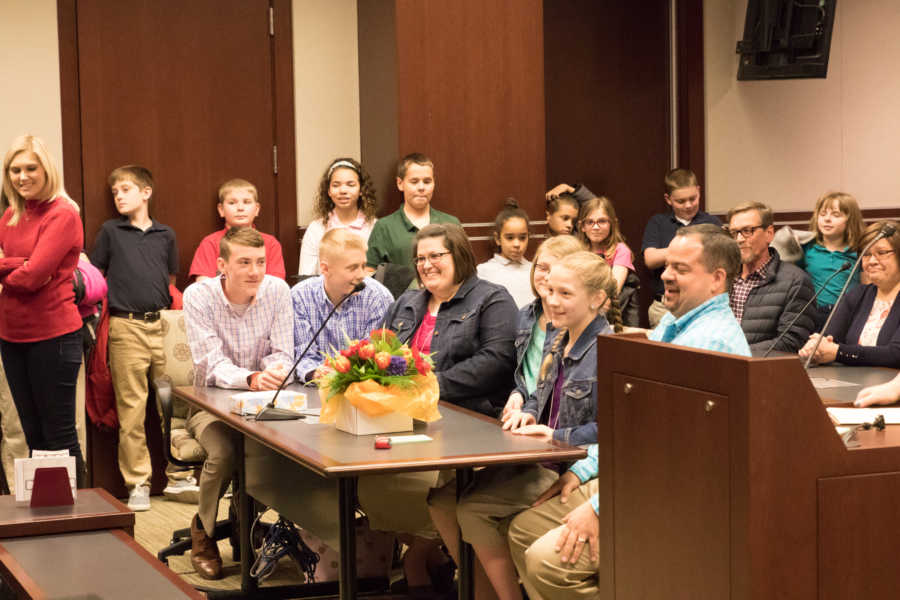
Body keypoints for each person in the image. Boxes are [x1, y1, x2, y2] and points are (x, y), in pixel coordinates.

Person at [507, 224, 751, 600]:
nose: (666, 275)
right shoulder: (674, 323)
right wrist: (585, 469)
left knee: (546, 561)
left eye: (681, 269)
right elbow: (635, 427)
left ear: (717, 279)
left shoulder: (708, 343)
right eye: (667, 265)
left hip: (676, 500)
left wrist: (600, 508)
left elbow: (669, 451)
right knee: (523, 528)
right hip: (638, 477)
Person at [433, 252, 622, 600]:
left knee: (474, 509)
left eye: (565, 294)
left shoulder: (608, 352)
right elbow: (539, 392)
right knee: (457, 502)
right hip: (543, 457)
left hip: (575, 469)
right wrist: (530, 412)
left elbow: (615, 431)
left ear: (597, 299)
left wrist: (556, 435)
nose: (552, 300)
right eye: (550, 291)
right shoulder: (558, 337)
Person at [357, 222, 517, 596]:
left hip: (470, 421)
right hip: (407, 419)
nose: (427, 265)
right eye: (420, 258)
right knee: (369, 482)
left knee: (434, 490)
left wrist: (427, 386)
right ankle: (426, 557)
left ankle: (458, 576)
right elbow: (382, 353)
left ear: (458, 255)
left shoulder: (492, 299)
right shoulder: (408, 301)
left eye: (436, 256)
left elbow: (496, 360)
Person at [182, 227, 293, 579]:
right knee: (227, 451)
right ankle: (204, 532)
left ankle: (251, 524)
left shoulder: (277, 291)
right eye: (244, 262)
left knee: (284, 449)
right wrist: (250, 379)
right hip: (209, 406)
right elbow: (211, 364)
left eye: (260, 262)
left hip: (262, 404)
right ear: (222, 265)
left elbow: (283, 352)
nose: (255, 271)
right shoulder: (199, 296)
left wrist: (274, 373)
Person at [90, 165, 178, 511]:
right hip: (126, 328)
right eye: (114, 192)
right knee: (132, 409)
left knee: (173, 406)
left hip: (165, 325)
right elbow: (96, 276)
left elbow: (170, 278)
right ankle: (138, 482)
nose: (119, 196)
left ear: (146, 192)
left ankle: (181, 474)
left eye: (125, 189)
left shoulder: (165, 234)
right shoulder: (110, 232)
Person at [0, 135, 85, 486]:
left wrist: (12, 266)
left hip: (55, 337)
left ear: (46, 169)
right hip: (11, 336)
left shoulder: (63, 213)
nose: (22, 176)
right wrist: (21, 264)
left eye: (30, 168)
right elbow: (31, 269)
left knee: (59, 437)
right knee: (33, 437)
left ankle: (84, 521)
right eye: (15, 170)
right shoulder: (10, 214)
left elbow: (33, 277)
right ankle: (48, 522)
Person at [501, 235, 585, 420]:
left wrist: (529, 408)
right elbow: (526, 374)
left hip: (555, 418)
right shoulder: (525, 315)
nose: (547, 277)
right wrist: (518, 393)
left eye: (555, 270)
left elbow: (554, 385)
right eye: (542, 268)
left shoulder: (576, 323)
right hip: (525, 413)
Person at [291, 229, 393, 382]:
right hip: (316, 388)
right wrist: (316, 372)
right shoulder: (300, 296)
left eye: (363, 266)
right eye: (352, 268)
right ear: (325, 269)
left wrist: (342, 374)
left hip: (363, 388)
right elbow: (302, 355)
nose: (361, 275)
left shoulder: (379, 297)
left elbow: (374, 359)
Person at [799, 221, 900, 366]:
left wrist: (839, 352)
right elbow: (829, 338)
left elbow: (896, 354)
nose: (871, 261)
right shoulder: (858, 295)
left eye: (881, 253)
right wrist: (816, 348)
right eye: (866, 254)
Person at [726, 202, 815, 353]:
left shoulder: (796, 282)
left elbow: (791, 342)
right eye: (734, 233)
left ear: (769, 233)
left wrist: (735, 353)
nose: (739, 239)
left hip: (763, 371)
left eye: (747, 231)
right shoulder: (722, 277)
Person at [642, 168, 722, 327]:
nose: (688, 205)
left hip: (702, 306)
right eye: (681, 201)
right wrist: (692, 249)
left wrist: (668, 253)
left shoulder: (712, 223)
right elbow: (650, 259)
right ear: (668, 199)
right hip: (663, 307)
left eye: (693, 198)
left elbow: (719, 260)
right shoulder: (658, 222)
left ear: (699, 191)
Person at [365, 153, 460, 272]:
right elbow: (370, 274)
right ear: (400, 183)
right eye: (414, 182)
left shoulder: (451, 223)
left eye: (427, 181)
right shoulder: (384, 227)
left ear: (434, 183)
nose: (421, 187)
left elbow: (464, 270)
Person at [188, 178, 285, 282]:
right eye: (232, 203)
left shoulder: (271, 243)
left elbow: (276, 284)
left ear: (256, 209)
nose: (240, 208)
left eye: (247, 202)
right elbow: (203, 285)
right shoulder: (210, 243)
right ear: (221, 210)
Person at [298, 158, 378, 276]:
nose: (343, 190)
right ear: (329, 191)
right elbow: (306, 277)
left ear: (361, 190)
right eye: (336, 185)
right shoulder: (316, 229)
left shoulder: (375, 227)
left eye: (351, 185)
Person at [797, 192, 864, 327]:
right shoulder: (806, 248)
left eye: (836, 215)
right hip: (813, 314)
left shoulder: (860, 251)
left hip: (849, 314)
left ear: (850, 220)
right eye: (822, 214)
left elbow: (867, 288)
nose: (827, 219)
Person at [476, 198, 535, 308]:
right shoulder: (483, 272)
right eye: (510, 238)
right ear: (497, 239)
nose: (517, 244)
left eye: (522, 238)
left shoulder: (535, 270)